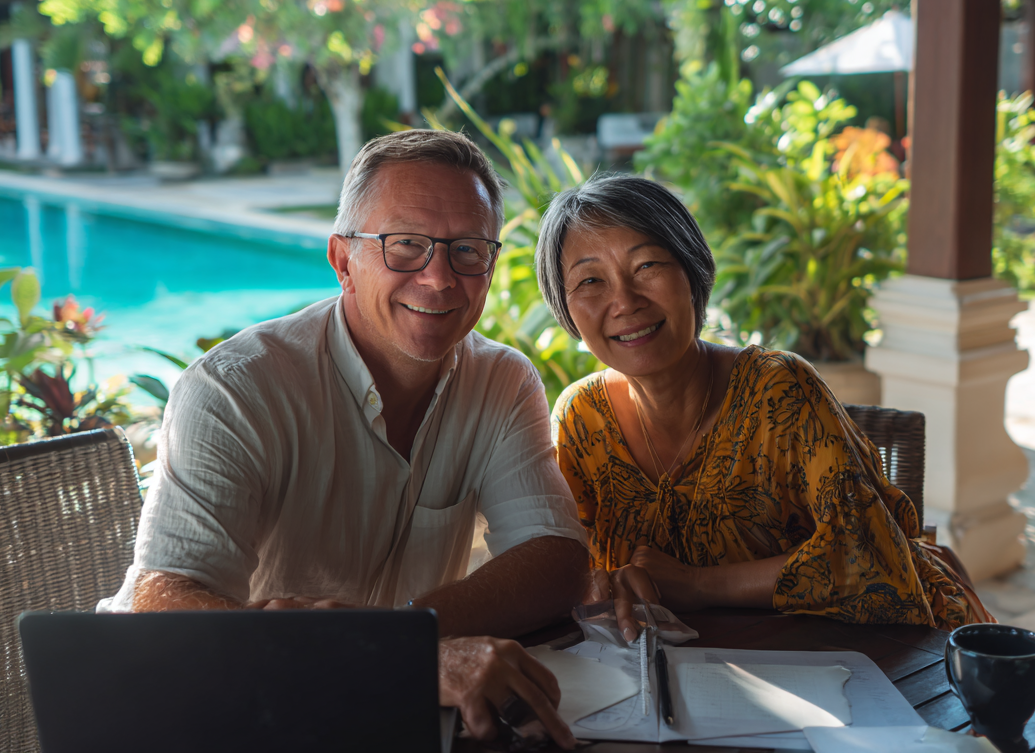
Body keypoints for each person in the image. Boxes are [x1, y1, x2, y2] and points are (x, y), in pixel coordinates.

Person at [103, 130, 589, 747]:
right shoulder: (236, 388)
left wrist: (396, 638)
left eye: (468, 249)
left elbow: (556, 559)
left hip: (391, 717)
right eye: (405, 245)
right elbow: (162, 601)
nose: (439, 278)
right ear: (342, 261)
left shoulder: (501, 380)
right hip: (227, 712)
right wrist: (391, 652)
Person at [535, 174, 990, 643]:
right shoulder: (581, 419)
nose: (625, 302)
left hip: (882, 654)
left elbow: (868, 559)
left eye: (647, 265)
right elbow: (569, 568)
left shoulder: (779, 389)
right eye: (590, 281)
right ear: (566, 310)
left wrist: (696, 584)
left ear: (692, 272)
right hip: (685, 667)